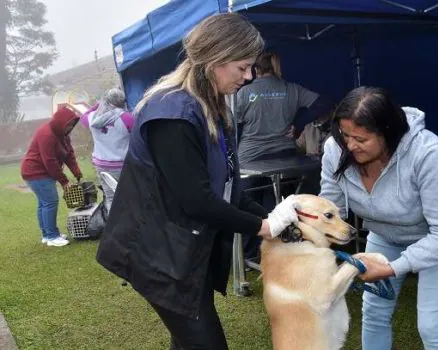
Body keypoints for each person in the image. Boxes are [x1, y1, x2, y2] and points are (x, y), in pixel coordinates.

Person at [95, 13, 299, 350]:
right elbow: (197, 200)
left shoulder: (209, 106)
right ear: (215, 59)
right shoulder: (172, 112)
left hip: (186, 251)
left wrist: (274, 218)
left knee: (188, 341)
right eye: (242, 67)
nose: (249, 77)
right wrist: (263, 227)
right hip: (159, 255)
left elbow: (227, 188)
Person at [320, 86, 438, 350]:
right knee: (374, 312)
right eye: (345, 135)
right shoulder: (336, 149)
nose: (349, 145)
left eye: (360, 138)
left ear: (388, 133)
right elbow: (331, 208)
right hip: (385, 231)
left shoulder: (428, 155)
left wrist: (393, 268)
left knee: (431, 324)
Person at [236, 51, 330, 165]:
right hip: (286, 154)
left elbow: (234, 125)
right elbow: (323, 103)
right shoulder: (293, 89)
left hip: (250, 156)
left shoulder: (245, 92)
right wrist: (299, 124)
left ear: (256, 70)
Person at [21, 106, 83, 247]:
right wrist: (64, 181)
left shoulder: (63, 135)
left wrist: (77, 173)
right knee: (50, 202)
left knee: (44, 203)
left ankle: (47, 234)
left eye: (72, 125)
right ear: (61, 123)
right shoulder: (47, 135)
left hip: (40, 172)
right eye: (68, 125)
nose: (70, 128)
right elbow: (49, 161)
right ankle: (52, 236)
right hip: (35, 172)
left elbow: (69, 155)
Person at [80, 88, 134, 212]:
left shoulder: (92, 117)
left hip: (102, 166)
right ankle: (133, 227)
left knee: (111, 199)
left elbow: (83, 116)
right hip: (123, 165)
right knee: (130, 196)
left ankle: (115, 228)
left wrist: (96, 105)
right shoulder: (127, 118)